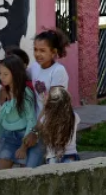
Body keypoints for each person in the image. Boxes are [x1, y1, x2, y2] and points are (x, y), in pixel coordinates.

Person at [24, 29, 71, 168]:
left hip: (53, 126)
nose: (38, 54)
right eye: (35, 49)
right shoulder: (35, 68)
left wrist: (35, 131)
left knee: (52, 166)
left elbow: (51, 106)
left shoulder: (58, 71)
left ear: (53, 52)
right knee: (32, 167)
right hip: (39, 124)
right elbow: (20, 76)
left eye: (42, 50)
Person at [0, 56, 37, 169]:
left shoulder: (25, 93)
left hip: (24, 137)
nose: (1, 77)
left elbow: (31, 120)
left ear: (15, 74)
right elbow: (8, 115)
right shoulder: (5, 91)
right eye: (0, 73)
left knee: (24, 175)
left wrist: (24, 147)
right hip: (8, 137)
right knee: (0, 174)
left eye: (5, 74)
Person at [38, 87, 81, 164]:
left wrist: (44, 107)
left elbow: (38, 126)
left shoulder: (46, 119)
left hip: (53, 157)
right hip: (71, 155)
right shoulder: (74, 117)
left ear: (50, 103)